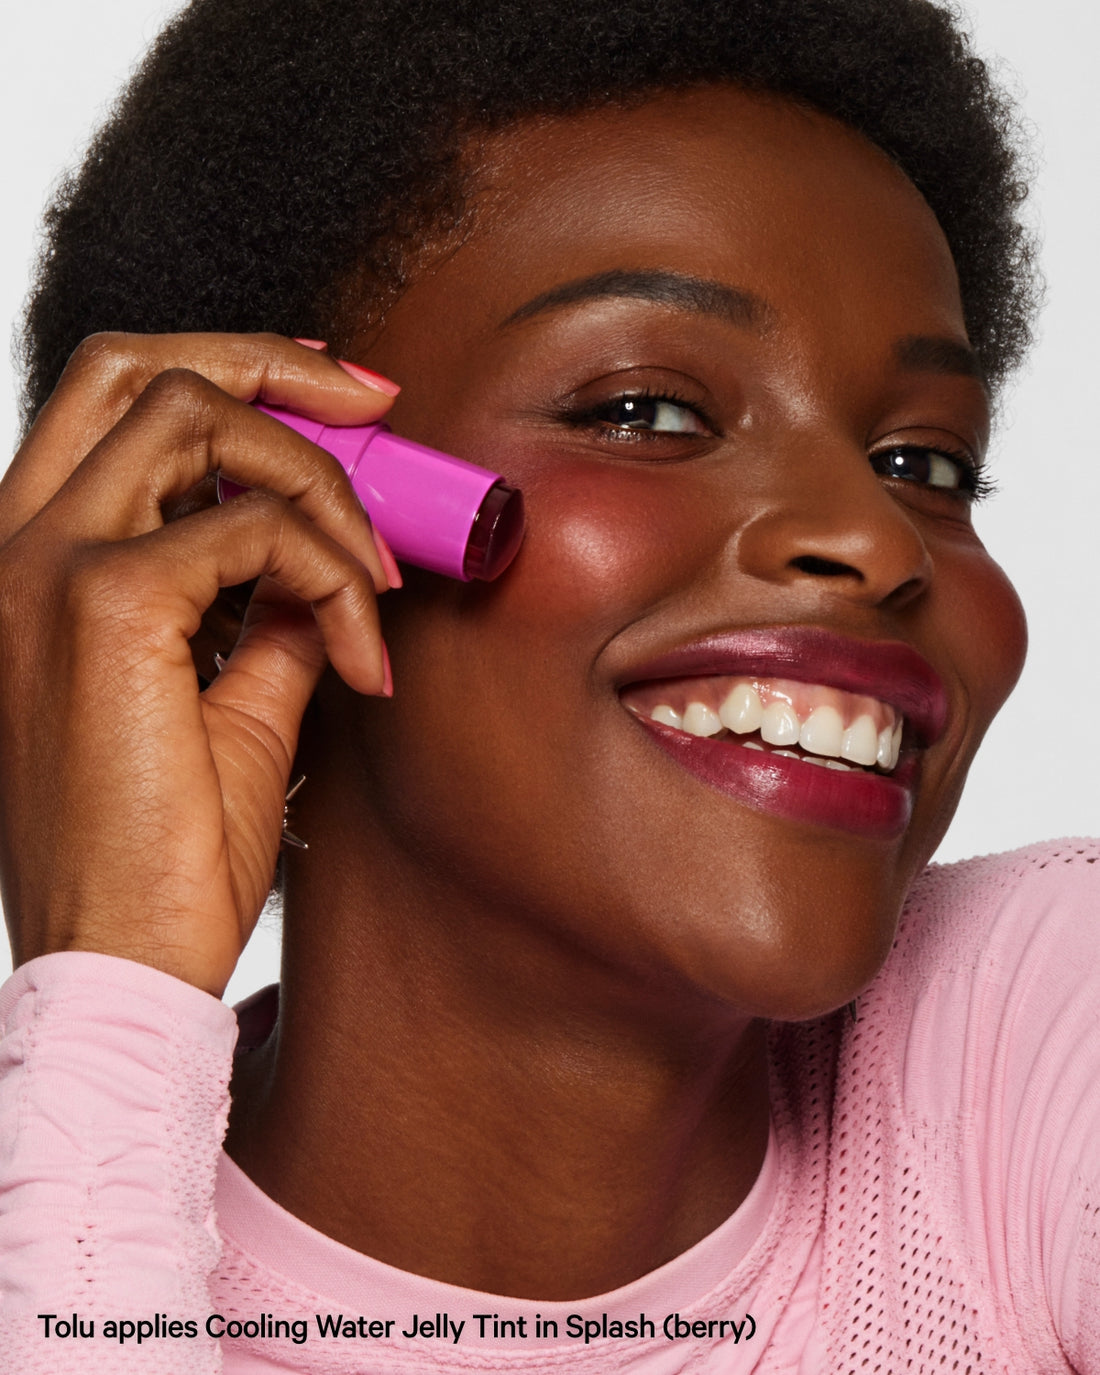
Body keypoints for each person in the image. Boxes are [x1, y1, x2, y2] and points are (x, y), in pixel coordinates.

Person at [0, 0, 1095, 1370]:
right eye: (644, 412)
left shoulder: (1046, 1029)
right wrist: (107, 997)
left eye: (924, 465)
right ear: (254, 506)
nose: (874, 539)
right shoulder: (41, 1225)